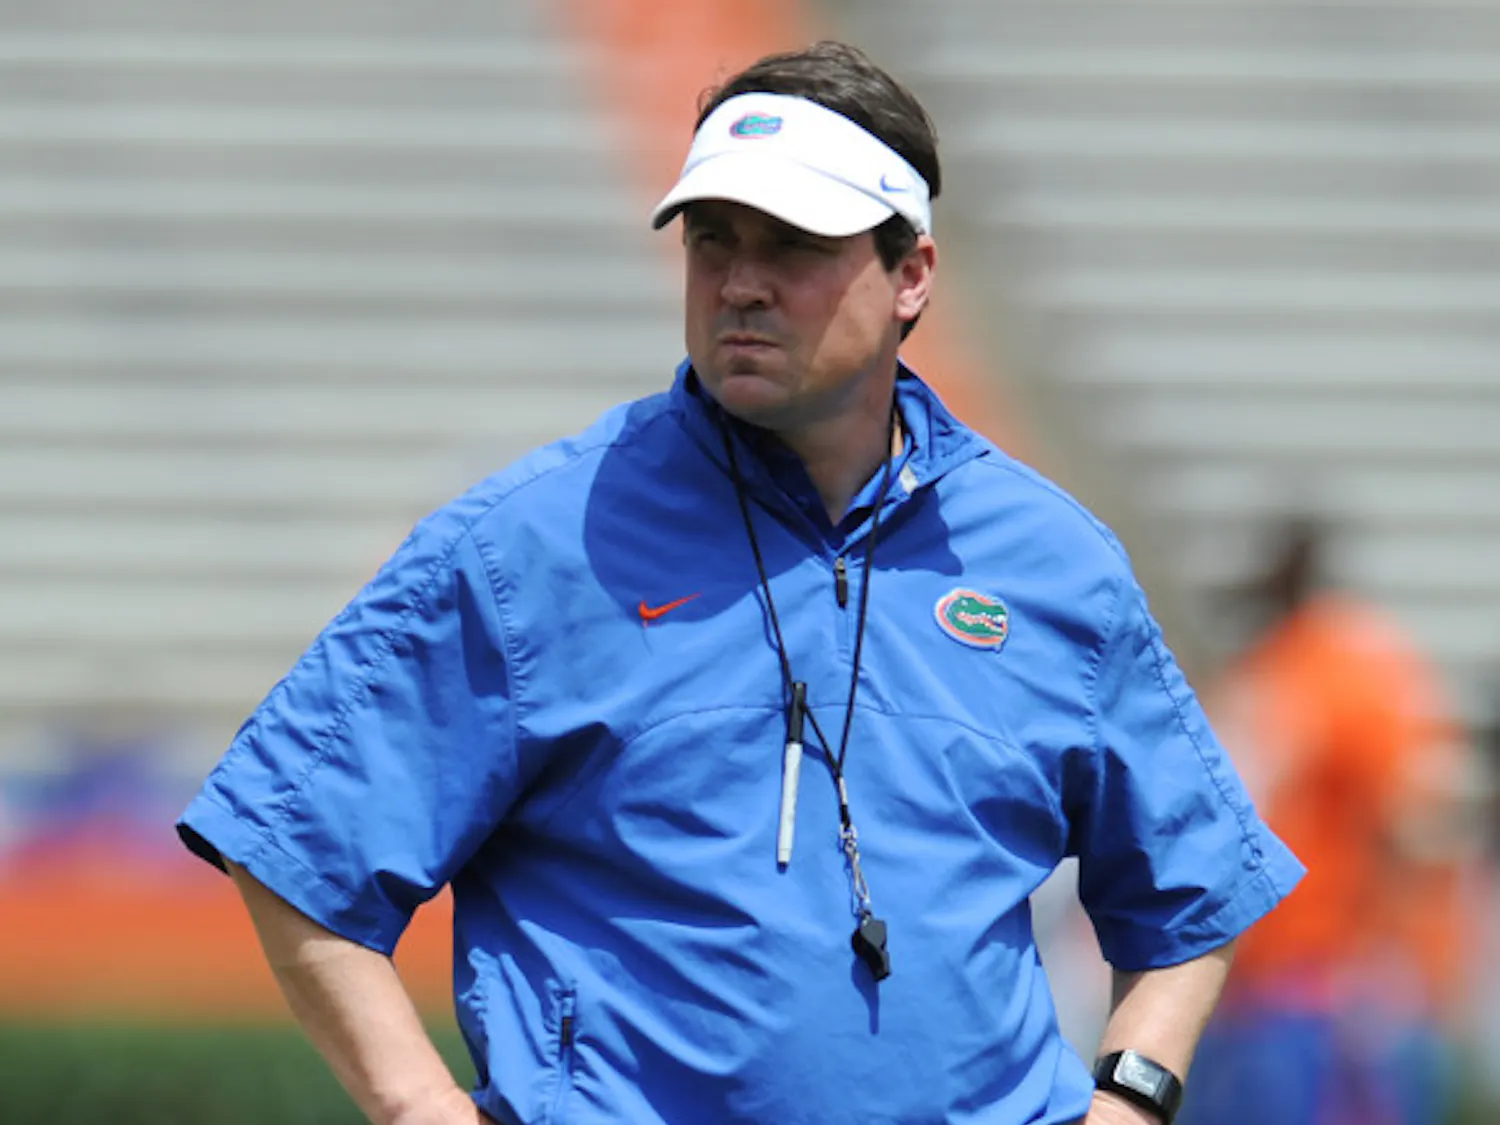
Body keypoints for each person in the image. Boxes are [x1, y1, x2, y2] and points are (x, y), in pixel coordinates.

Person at [176, 41, 1303, 1125]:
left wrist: (1131, 1099)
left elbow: (1193, 896)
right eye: (713, 240)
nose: (741, 285)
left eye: (796, 245)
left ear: (911, 273)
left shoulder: (1055, 561)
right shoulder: (528, 545)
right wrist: (419, 1108)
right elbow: (292, 848)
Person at [1183, 516, 1481, 1125]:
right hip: (1260, 981)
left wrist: (1386, 960)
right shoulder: (1287, 666)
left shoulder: (1339, 668)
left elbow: (1419, 824)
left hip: (1315, 986)